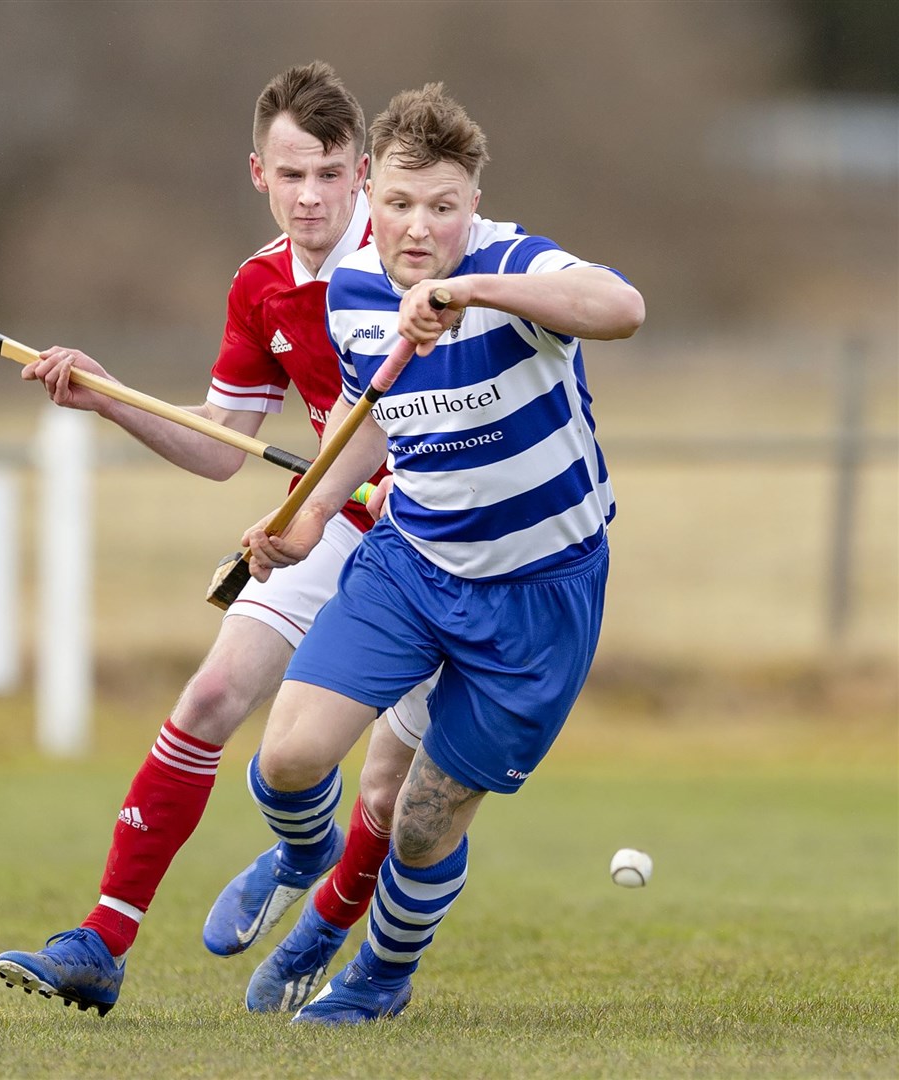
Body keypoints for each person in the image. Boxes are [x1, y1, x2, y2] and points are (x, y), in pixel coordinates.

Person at [0, 61, 431, 1018]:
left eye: (327, 174)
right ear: (257, 176)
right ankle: (101, 943)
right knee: (212, 692)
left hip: (442, 541)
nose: (309, 197)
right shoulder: (262, 285)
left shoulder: (409, 262)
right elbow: (222, 445)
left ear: (362, 173)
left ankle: (339, 924)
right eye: (290, 176)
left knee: (395, 791)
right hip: (330, 523)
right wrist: (107, 399)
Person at [225, 82, 645, 1025]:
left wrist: (470, 289)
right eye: (403, 205)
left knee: (418, 823)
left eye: (444, 207)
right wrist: (309, 512)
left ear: (473, 204)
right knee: (288, 758)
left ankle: (379, 977)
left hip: (540, 597)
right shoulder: (354, 289)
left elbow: (622, 306)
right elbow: (376, 416)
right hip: (412, 565)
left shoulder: (512, 267)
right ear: (370, 198)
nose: (421, 228)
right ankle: (304, 857)